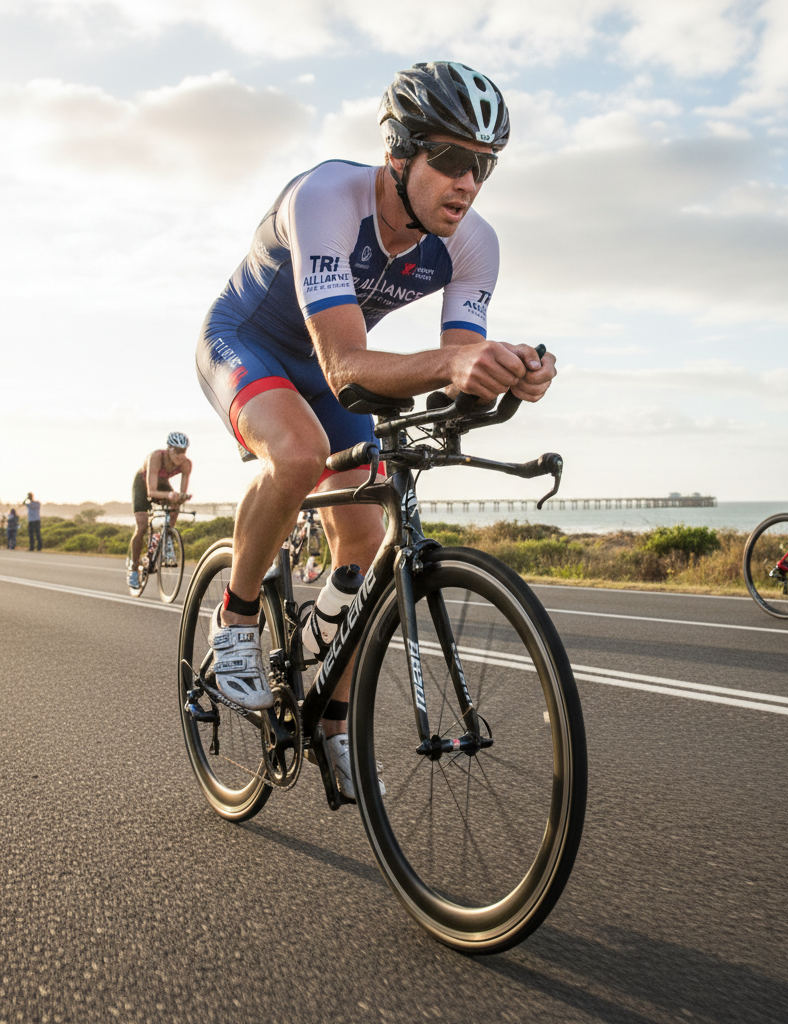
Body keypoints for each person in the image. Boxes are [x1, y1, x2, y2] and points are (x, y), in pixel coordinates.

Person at [195, 61, 555, 799]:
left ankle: (332, 718)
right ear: (399, 152)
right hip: (249, 344)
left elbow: (455, 371)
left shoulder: (474, 244)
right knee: (298, 454)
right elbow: (345, 365)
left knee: (367, 541)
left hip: (335, 370)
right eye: (450, 159)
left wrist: (506, 374)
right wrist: (455, 362)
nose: (468, 183)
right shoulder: (328, 197)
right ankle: (234, 619)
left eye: (484, 166)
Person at [128, 433, 193, 589]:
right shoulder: (156, 457)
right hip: (143, 484)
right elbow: (151, 491)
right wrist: (169, 495)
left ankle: (166, 537)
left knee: (175, 506)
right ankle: (134, 569)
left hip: (162, 483)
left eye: (183, 451)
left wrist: (181, 497)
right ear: (169, 449)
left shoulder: (186, 464)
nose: (180, 455)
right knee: (142, 526)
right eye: (177, 451)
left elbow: (180, 495)